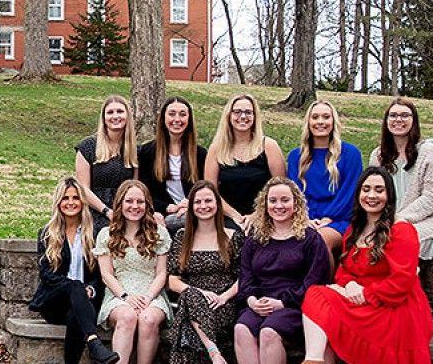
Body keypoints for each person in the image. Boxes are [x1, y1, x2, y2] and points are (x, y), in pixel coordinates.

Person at [280, 167, 433, 364]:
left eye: (379, 190)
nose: (371, 195)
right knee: (318, 296)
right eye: (366, 189)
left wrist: (365, 293)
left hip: (393, 308)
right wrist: (349, 285)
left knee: (321, 306)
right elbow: (343, 272)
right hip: (359, 301)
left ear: (389, 195)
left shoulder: (402, 230)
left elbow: (403, 281)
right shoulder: (354, 230)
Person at [232, 178, 330, 364]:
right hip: (260, 300)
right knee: (242, 328)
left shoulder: (309, 238)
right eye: (273, 201)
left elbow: (315, 281)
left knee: (269, 332)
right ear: (264, 205)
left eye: (285, 200)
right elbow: (246, 276)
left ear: (296, 203)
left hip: (294, 305)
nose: (279, 206)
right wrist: (252, 300)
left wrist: (282, 303)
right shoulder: (256, 238)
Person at [28, 177, 119, 364]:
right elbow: (47, 275)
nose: (70, 202)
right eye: (65, 198)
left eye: (75, 197)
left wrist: (92, 288)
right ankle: (94, 342)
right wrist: (78, 287)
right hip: (54, 301)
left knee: (75, 317)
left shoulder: (96, 231)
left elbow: (102, 273)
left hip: (84, 304)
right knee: (74, 287)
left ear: (83, 201)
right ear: (58, 202)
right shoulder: (47, 233)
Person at [166, 181, 244, 364]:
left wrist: (223, 297)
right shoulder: (182, 237)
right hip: (193, 299)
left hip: (223, 303)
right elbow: (172, 280)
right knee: (191, 298)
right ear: (191, 207)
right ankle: (216, 357)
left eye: (208, 200)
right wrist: (197, 292)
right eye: (198, 202)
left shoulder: (233, 237)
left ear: (218, 205)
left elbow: (243, 277)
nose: (203, 206)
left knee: (188, 324)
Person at [93, 180, 171, 364]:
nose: (134, 206)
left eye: (139, 201)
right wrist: (126, 296)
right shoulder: (106, 234)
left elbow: (162, 273)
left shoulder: (159, 234)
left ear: (147, 205)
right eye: (129, 201)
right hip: (120, 291)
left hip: (151, 292)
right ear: (120, 203)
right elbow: (107, 274)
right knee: (127, 317)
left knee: (147, 319)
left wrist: (148, 296)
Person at [369, 98, 433, 260]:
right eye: (393, 116)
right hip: (389, 222)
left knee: (398, 240)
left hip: (427, 221)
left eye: (405, 115)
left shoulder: (428, 152)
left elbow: (432, 198)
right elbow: (374, 193)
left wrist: (400, 219)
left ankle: (404, 284)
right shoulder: (378, 156)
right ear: (386, 121)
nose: (398, 120)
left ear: (413, 121)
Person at [287, 100, 363, 255]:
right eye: (315, 117)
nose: (320, 122)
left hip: (340, 219)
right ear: (308, 122)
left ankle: (321, 280)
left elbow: (349, 193)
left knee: (319, 239)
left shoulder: (350, 154)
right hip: (305, 218)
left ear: (333, 121)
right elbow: (294, 193)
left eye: (326, 117)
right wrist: (305, 218)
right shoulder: (296, 156)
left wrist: (329, 217)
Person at [206, 94, 286, 231]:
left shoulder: (269, 146)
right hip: (227, 218)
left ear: (255, 117)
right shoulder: (216, 149)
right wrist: (235, 216)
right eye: (237, 112)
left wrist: (256, 215)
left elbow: (281, 188)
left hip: (266, 217)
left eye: (248, 112)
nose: (243, 117)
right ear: (229, 115)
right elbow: (210, 191)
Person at [138, 97, 207, 233]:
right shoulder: (147, 152)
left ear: (189, 120)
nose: (177, 119)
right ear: (163, 118)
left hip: (194, 211)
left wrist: (190, 203)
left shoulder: (200, 154)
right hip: (161, 213)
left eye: (182, 114)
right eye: (171, 114)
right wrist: (166, 208)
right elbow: (144, 190)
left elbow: (206, 187)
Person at [75, 95, 137, 235]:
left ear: (128, 115)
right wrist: (106, 211)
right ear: (103, 118)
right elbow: (83, 188)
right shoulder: (88, 147)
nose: (115, 116)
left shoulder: (134, 150)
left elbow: (136, 186)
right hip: (95, 210)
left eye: (120, 111)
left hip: (126, 211)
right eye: (110, 112)